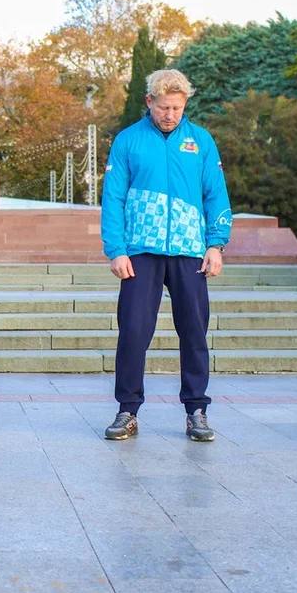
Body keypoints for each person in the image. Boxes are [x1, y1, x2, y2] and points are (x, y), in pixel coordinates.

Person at [99, 69, 231, 443]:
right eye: (164, 107)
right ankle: (127, 410)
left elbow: (215, 196)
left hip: (191, 252)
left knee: (193, 332)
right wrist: (117, 249)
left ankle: (196, 410)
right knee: (134, 332)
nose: (171, 114)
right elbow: (114, 198)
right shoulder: (127, 142)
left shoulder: (201, 142)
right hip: (141, 251)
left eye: (177, 107)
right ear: (149, 103)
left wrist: (216, 244)